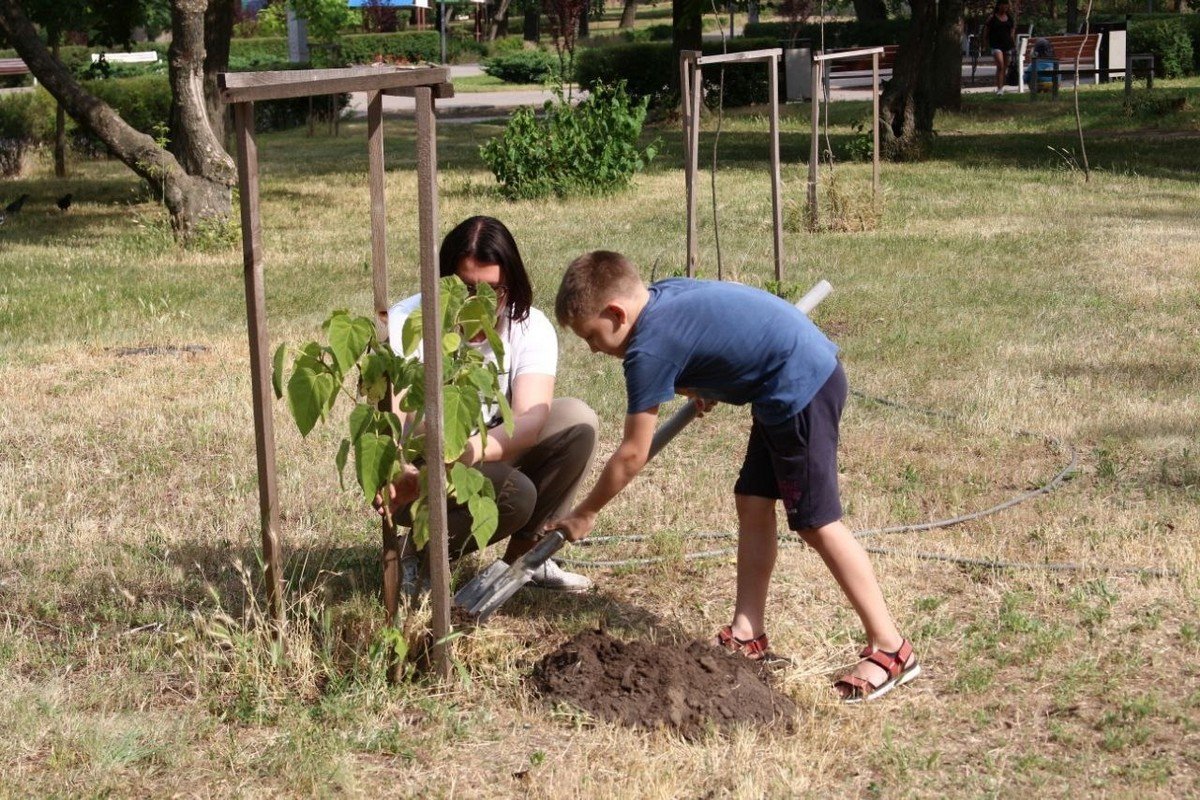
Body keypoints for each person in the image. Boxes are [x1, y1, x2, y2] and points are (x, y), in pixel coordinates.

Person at [548, 252, 920, 702]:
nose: (593, 348)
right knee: (753, 500)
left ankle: (891, 646)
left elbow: (631, 454)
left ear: (615, 313)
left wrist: (585, 513)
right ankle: (748, 631)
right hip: (782, 378)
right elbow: (713, 331)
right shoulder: (662, 298)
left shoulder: (647, 349)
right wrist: (705, 381)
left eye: (592, 336)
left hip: (800, 387)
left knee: (816, 522)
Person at [380, 216, 598, 593]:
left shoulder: (528, 325)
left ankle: (527, 560)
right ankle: (417, 549)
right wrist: (405, 467)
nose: (479, 303)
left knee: (577, 421)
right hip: (419, 469)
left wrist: (460, 453)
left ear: (510, 285)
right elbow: (396, 418)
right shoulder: (409, 323)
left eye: (493, 291)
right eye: (465, 289)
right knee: (517, 495)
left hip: (480, 449)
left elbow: (530, 423)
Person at [983, 0, 1017, 95]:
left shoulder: (1009, 18)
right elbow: (986, 32)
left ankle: (1001, 87)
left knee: (1004, 68)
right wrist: (985, 44)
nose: (1005, 6)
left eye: (1006, 5)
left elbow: (1012, 31)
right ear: (999, 5)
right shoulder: (992, 18)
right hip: (996, 45)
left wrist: (1014, 45)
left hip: (1007, 45)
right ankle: (999, 89)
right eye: (1003, 4)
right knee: (1000, 66)